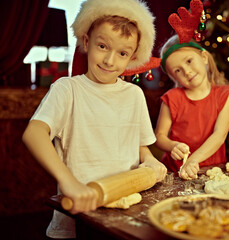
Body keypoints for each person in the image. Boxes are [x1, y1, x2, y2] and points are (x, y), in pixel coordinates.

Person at [22, 0, 167, 238]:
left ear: (132, 57)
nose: (110, 61)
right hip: (78, 216)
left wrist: (150, 160)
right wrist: (68, 182)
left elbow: (139, 146)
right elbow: (34, 133)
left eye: (122, 53)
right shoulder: (68, 89)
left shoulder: (134, 95)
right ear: (87, 41)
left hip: (124, 215)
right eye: (102, 46)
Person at [155, 35, 229, 180]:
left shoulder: (226, 94)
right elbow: (159, 137)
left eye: (189, 61)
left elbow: (219, 135)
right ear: (174, 78)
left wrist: (193, 160)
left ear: (204, 57)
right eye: (177, 71)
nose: (186, 71)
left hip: (211, 172)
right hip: (175, 174)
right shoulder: (172, 98)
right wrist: (172, 146)